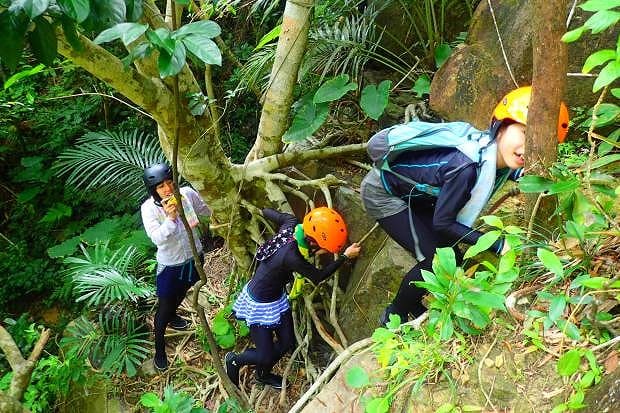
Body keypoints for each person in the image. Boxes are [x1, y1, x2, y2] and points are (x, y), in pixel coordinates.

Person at [360, 86, 569, 324]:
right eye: (523, 133)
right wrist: (499, 245)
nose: (528, 147)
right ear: (501, 126)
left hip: (417, 194)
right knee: (435, 261)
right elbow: (443, 223)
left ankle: (412, 304)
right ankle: (392, 316)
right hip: (384, 193)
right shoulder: (466, 166)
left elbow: (498, 170)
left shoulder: (489, 151)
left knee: (450, 257)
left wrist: (523, 174)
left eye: (537, 141)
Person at [224, 207, 361, 389]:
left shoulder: (292, 224)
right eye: (324, 250)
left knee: (286, 342)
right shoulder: (292, 256)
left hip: (276, 299)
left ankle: (262, 375)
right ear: (312, 243)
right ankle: (235, 360)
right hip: (258, 304)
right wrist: (344, 257)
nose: (324, 253)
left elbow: (274, 214)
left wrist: (254, 210)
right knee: (265, 355)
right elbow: (318, 277)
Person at [140, 163, 211, 371]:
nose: (168, 189)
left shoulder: (186, 194)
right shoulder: (149, 208)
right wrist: (171, 218)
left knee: (186, 290)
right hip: (171, 267)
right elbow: (157, 238)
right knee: (164, 308)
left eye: (170, 183)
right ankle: (160, 348)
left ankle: (174, 316)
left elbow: (206, 209)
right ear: (153, 190)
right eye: (161, 186)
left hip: (194, 257)